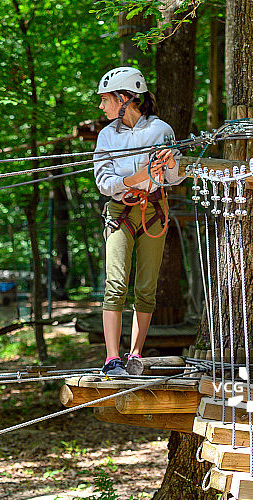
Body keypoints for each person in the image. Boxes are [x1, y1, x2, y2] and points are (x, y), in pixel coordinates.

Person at [93, 67, 184, 376]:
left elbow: (173, 178)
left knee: (146, 288)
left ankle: (135, 354)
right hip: (120, 213)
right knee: (115, 283)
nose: (102, 107)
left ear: (124, 98)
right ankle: (111, 358)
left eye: (106, 100)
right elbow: (104, 182)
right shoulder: (106, 135)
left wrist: (171, 164)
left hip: (154, 211)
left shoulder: (161, 131)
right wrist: (137, 177)